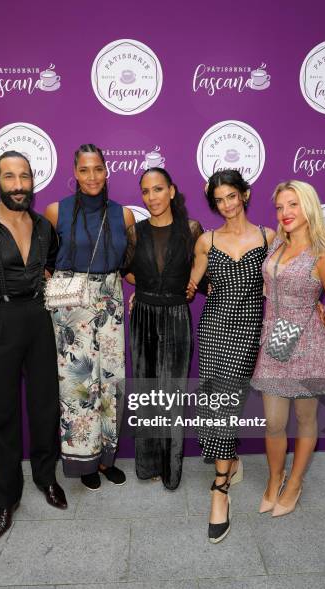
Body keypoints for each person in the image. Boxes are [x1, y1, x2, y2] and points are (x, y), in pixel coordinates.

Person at [0, 151, 67, 542]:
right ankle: (6, 500)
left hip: (39, 321)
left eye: (24, 177)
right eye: (10, 177)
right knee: (2, 416)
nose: (19, 185)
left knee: (44, 408)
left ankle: (45, 478)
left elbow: (52, 261)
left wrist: (47, 274)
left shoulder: (43, 227)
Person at [251, 180, 325, 516]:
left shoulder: (324, 253)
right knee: (274, 422)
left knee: (306, 419)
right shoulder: (277, 244)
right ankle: (274, 478)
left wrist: (317, 324)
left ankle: (294, 483)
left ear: (308, 206)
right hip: (277, 338)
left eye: (293, 204)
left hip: (308, 345)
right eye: (280, 207)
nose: (285, 213)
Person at [189, 169, 275, 543]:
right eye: (219, 200)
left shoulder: (269, 238)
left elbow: (284, 281)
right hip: (213, 330)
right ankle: (232, 460)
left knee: (225, 404)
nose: (226, 205)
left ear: (245, 194)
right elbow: (191, 283)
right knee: (213, 405)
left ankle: (219, 489)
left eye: (231, 196)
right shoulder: (206, 241)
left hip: (246, 332)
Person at [45, 144, 135, 491]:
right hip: (72, 309)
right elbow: (43, 257)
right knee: (78, 385)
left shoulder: (123, 215)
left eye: (98, 168)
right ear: (75, 172)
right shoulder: (57, 211)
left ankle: (105, 458)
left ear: (107, 170)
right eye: (84, 169)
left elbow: (129, 265)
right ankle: (83, 461)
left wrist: (142, 288)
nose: (92, 176)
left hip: (110, 303)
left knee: (111, 382)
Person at [125, 167, 204, 490]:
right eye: (146, 191)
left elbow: (204, 274)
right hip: (143, 315)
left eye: (157, 189)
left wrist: (191, 286)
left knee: (171, 394)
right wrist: (143, 290)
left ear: (171, 191)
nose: (152, 197)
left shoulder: (191, 229)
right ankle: (148, 466)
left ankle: (171, 470)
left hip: (175, 317)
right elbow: (125, 271)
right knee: (145, 392)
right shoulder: (135, 232)